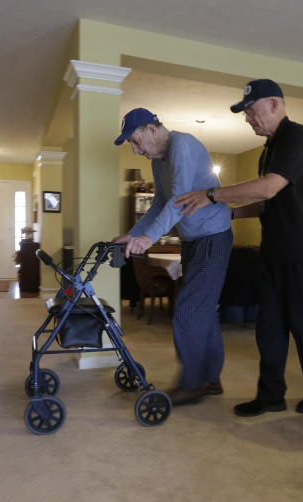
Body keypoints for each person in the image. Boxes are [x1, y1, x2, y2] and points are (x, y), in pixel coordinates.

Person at [174, 79, 303, 417]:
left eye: (251, 110)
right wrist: (223, 212)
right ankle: (270, 395)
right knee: (269, 328)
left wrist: (212, 194)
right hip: (274, 253)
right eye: (245, 112)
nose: (248, 118)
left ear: (275, 104)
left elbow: (268, 189)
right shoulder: (270, 148)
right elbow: (264, 204)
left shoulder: (299, 137)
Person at [113, 107, 233, 406]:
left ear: (152, 130)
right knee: (202, 311)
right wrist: (134, 233)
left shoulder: (183, 145)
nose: (135, 149)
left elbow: (179, 200)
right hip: (193, 240)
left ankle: (191, 384)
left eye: (136, 141)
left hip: (213, 236)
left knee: (188, 310)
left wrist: (149, 238)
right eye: (130, 144)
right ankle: (210, 379)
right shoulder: (159, 160)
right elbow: (159, 204)